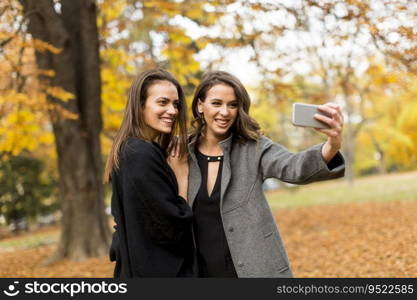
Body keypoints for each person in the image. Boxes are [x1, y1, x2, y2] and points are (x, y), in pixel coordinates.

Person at [169, 70, 345, 278]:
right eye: (216, 103)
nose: (225, 112)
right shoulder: (179, 152)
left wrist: (332, 144)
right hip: (200, 272)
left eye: (232, 105)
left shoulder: (254, 147)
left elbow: (294, 167)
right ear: (200, 106)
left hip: (255, 271)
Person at [103, 68, 196, 278]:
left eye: (175, 104)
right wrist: (181, 174)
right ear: (140, 105)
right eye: (162, 102)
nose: (172, 111)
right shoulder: (140, 154)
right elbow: (172, 228)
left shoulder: (129, 149)